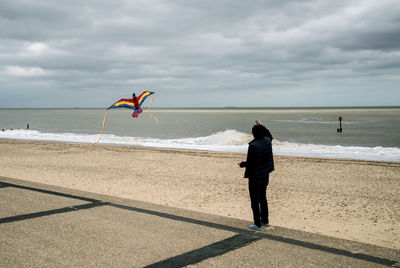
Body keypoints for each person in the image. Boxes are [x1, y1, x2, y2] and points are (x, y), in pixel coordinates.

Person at [239, 124, 274, 231]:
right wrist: (261, 125)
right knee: (263, 197)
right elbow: (269, 135)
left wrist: (242, 164)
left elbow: (251, 163)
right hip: (265, 173)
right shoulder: (267, 141)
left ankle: (257, 224)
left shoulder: (253, 146)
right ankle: (265, 220)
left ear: (254, 134)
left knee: (255, 199)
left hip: (255, 175)